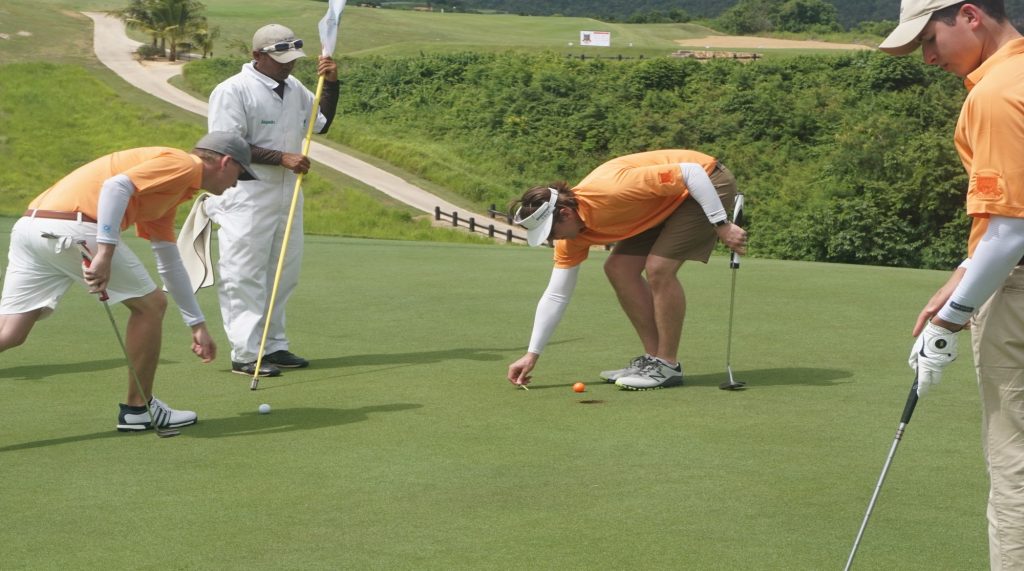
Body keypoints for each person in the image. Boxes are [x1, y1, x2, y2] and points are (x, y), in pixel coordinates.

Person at [880, 1, 1024, 567]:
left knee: (1015, 462)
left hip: (1017, 293)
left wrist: (950, 319)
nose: (927, 57)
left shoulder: (994, 95)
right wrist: (965, 272)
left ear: (969, 15)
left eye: (929, 39)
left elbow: (1012, 231)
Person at [0, 131, 257, 431]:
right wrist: (105, 252)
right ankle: (138, 409)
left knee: (10, 332)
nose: (236, 184)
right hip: (74, 227)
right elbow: (116, 186)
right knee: (151, 306)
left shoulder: (168, 193)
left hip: (31, 227)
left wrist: (196, 324)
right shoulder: (185, 164)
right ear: (225, 162)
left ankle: (139, 408)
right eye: (240, 174)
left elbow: (169, 261)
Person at [506, 150, 748, 391]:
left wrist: (721, 224)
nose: (552, 240)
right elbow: (557, 294)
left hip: (707, 182)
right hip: (662, 203)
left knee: (659, 267)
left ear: (566, 213)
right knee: (618, 268)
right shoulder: (571, 238)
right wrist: (532, 354)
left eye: (551, 233)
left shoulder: (611, 190)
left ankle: (667, 365)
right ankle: (654, 360)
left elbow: (691, 173)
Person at [204, 23, 340, 378]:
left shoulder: (294, 88)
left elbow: (320, 123)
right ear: (257, 56)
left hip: (287, 194)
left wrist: (332, 84)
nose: (289, 65)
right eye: (281, 60)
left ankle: (274, 345)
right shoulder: (232, 90)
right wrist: (282, 157)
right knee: (244, 273)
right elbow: (225, 145)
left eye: (293, 58)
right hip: (246, 195)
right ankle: (246, 353)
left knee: (283, 272)